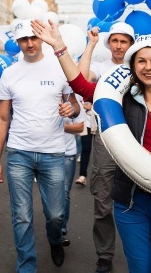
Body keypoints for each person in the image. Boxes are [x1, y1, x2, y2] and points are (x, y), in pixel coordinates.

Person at [31, 19, 151, 273]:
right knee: (140, 268)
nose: (148, 67)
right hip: (130, 202)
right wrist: (60, 47)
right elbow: (81, 86)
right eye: (141, 61)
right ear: (133, 66)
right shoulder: (122, 100)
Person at [0, 19, 80, 272]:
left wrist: (69, 109)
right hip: (19, 153)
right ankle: (26, 266)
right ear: (17, 42)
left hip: (53, 153)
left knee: (55, 214)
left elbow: (74, 107)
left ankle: (55, 239)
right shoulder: (9, 73)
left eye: (33, 38)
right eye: (23, 40)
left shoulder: (59, 68)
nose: (29, 44)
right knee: (21, 216)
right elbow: (2, 117)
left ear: (41, 39)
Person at [76, 21, 135, 272]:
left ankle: (141, 250)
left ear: (131, 44)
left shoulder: (139, 66)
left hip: (137, 138)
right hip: (106, 138)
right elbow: (80, 78)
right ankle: (105, 254)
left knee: (140, 197)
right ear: (108, 43)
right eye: (115, 41)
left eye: (124, 41)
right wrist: (90, 45)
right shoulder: (101, 67)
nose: (119, 46)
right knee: (103, 200)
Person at [62, 94, 86, 245]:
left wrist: (61, 126)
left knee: (64, 192)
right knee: (51, 195)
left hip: (67, 154)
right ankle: (53, 223)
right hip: (47, 154)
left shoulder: (72, 99)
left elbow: (81, 126)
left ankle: (61, 227)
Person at [75, 99, 96, 186]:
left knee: (102, 152)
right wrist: (82, 107)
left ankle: (100, 177)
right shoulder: (80, 94)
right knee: (86, 149)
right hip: (86, 125)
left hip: (100, 125)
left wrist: (92, 108)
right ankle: (82, 176)